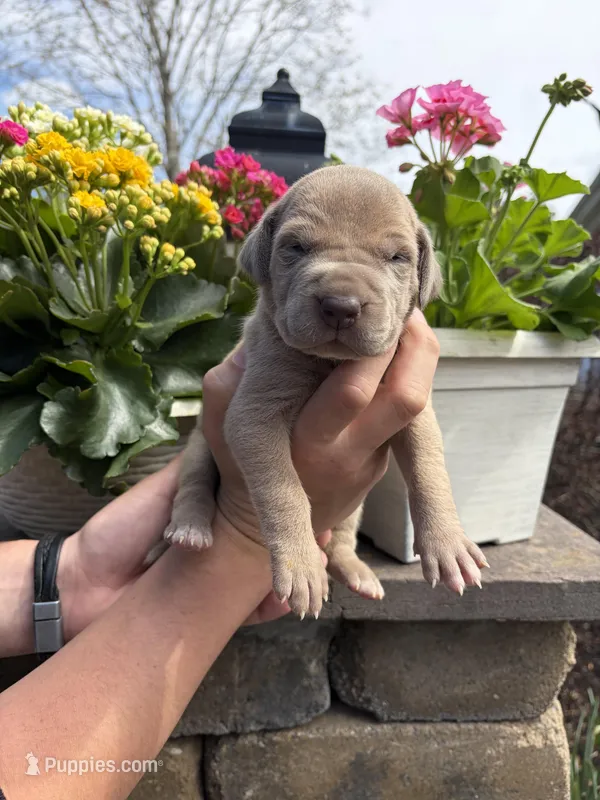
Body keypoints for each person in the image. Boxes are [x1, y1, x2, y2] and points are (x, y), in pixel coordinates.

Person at [0, 309, 440, 799]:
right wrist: (247, 538)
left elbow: (415, 427)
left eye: (395, 259)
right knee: (203, 456)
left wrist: (77, 574)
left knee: (348, 479)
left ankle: (342, 550)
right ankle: (196, 513)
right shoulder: (274, 332)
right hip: (242, 477)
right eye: (298, 248)